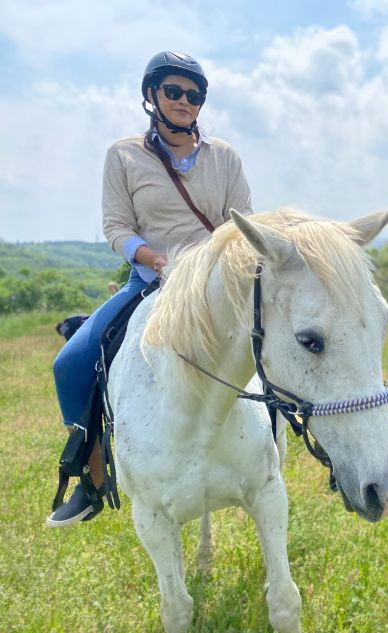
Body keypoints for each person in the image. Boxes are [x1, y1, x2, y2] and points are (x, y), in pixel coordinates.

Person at [47, 51, 252, 527]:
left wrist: (214, 266)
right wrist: (154, 259)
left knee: (278, 340)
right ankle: (92, 478)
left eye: (193, 94)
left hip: (214, 283)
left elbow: (240, 224)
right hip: (149, 280)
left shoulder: (226, 157)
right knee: (71, 363)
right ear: (151, 96)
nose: (184, 100)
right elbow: (116, 226)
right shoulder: (124, 154)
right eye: (173, 91)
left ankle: (300, 445)